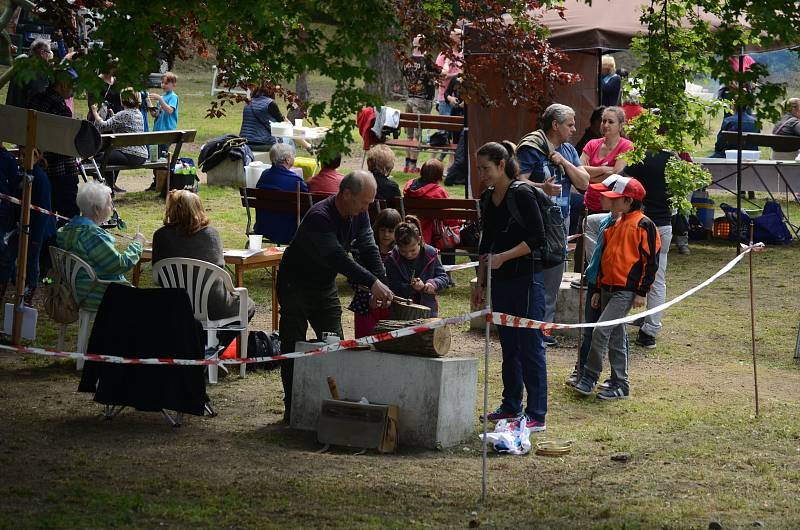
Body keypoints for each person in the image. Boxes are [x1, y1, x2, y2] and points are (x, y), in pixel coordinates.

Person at [277, 170, 394, 422]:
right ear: (346, 194)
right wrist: (371, 283)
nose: (367, 208)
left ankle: (331, 405)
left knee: (335, 344)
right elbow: (338, 258)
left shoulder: (359, 214)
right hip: (295, 284)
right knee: (293, 346)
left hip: (324, 285)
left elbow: (369, 248)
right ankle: (293, 408)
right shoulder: (320, 216)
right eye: (364, 202)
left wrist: (381, 284)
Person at [472, 141, 547, 431]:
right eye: (479, 169)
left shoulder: (523, 193)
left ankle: (536, 414)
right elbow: (485, 243)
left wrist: (504, 257)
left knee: (530, 347)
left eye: (486, 168)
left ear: (502, 165)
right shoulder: (487, 198)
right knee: (509, 347)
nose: (482, 174)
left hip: (527, 280)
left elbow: (537, 238)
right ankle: (510, 406)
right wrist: (480, 282)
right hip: (499, 282)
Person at [572, 177, 660, 400]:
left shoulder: (644, 225)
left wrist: (642, 291)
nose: (611, 201)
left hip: (625, 290)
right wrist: (599, 287)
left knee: (601, 330)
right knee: (616, 335)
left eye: (616, 198)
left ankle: (589, 376)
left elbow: (651, 261)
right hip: (606, 288)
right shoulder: (615, 224)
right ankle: (620, 383)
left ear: (629, 201)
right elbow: (605, 258)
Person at [517, 103, 589, 347]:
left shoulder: (568, 150)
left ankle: (544, 330)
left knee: (554, 275)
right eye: (569, 124)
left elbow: (584, 183)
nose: (574, 128)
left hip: (561, 220)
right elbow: (518, 183)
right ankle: (527, 326)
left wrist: (565, 164)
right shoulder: (531, 147)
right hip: (534, 220)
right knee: (533, 275)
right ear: (555, 125)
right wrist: (543, 189)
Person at [152, 190, 255, 345]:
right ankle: (214, 346)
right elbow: (219, 268)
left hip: (174, 304)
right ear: (198, 209)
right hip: (214, 305)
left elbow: (158, 277)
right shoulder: (211, 234)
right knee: (248, 305)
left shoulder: (160, 236)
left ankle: (199, 344)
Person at [55, 181, 144, 313]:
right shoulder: (93, 236)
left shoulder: (67, 231)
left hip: (76, 291)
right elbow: (119, 265)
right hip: (98, 293)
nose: (112, 208)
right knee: (148, 305)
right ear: (97, 209)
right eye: (110, 204)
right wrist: (138, 244)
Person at [624, 150, 680, 348]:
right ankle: (650, 329)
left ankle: (641, 325)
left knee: (628, 271)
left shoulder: (637, 157)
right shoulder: (673, 159)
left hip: (639, 223)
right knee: (658, 278)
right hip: (663, 224)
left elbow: (623, 184)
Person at [0, 148, 56, 304]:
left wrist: (36, 237)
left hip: (36, 229)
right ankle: (3, 285)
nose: (23, 158)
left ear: (37, 157)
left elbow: (43, 210)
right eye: (21, 154)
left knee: (31, 261)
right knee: (8, 257)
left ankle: (30, 289)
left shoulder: (40, 178)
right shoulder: (21, 174)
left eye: (28, 155)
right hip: (19, 226)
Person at [28, 69, 80, 219]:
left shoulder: (35, 98)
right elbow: (65, 145)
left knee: (42, 214)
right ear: (63, 84)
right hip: (60, 171)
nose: (73, 90)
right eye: (72, 85)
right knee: (69, 215)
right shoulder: (61, 108)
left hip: (36, 165)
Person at [349, 208, 402, 338]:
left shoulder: (401, 253)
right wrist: (370, 296)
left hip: (392, 307)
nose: (386, 235)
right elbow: (354, 278)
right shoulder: (364, 250)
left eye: (391, 231)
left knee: (388, 344)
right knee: (364, 342)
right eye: (383, 230)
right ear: (376, 229)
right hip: (364, 305)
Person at [385, 216, 449, 317]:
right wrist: (412, 288)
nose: (409, 254)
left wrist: (433, 284)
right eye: (403, 251)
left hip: (428, 310)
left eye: (413, 250)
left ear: (419, 239)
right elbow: (392, 285)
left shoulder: (430, 253)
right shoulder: (392, 259)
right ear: (397, 245)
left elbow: (444, 278)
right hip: (401, 311)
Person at [90, 87, 147, 194]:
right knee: (107, 157)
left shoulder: (124, 114)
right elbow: (124, 127)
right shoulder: (138, 113)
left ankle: (108, 191)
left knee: (100, 157)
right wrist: (113, 116)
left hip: (130, 155)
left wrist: (95, 113)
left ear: (122, 100)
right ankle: (109, 188)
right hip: (141, 155)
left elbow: (103, 126)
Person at [580, 106, 634, 215]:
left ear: (621, 126)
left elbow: (616, 176)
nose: (605, 125)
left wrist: (588, 176)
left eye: (610, 122)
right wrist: (603, 169)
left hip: (611, 208)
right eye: (603, 121)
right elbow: (579, 169)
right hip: (589, 203)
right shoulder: (592, 144)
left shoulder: (626, 146)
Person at [254, 143, 307, 244]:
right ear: (287, 159)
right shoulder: (296, 181)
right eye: (293, 156)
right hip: (289, 230)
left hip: (264, 227)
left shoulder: (264, 175)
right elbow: (307, 203)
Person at [402, 35, 438, 173]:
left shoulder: (406, 60)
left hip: (410, 98)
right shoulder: (426, 61)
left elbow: (405, 75)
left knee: (409, 135)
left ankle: (406, 164)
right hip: (422, 100)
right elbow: (438, 73)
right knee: (418, 134)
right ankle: (412, 165)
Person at [5, 38, 52, 109]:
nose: (50, 55)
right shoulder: (38, 72)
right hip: (26, 116)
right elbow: (39, 98)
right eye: (49, 52)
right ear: (42, 53)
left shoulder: (20, 66)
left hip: (11, 112)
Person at [239, 84, 287, 151]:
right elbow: (280, 121)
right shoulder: (270, 103)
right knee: (288, 140)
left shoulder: (248, 102)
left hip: (244, 142)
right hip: (262, 142)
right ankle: (286, 161)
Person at [149, 72, 179, 160]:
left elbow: (170, 111)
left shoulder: (173, 97)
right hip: (157, 131)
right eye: (162, 83)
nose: (163, 85)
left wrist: (160, 99)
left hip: (167, 131)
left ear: (173, 85)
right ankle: (157, 173)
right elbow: (155, 115)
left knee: (162, 156)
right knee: (155, 157)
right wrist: (149, 103)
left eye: (166, 83)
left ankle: (162, 173)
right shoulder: (161, 97)